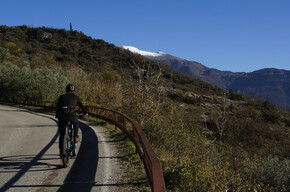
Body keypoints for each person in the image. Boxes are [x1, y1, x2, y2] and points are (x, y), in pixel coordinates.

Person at [56, 84, 88, 157]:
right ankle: (76, 136)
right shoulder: (76, 97)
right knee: (76, 122)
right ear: (73, 91)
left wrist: (57, 116)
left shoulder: (61, 97)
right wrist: (85, 113)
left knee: (62, 134)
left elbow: (58, 107)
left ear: (66, 90)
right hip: (71, 116)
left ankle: (61, 151)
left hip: (62, 117)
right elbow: (82, 106)